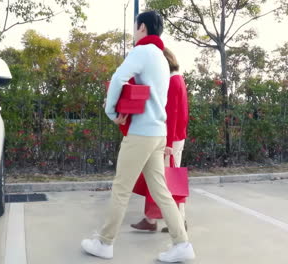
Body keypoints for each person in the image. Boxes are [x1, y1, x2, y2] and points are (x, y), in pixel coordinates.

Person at [81, 11, 195, 263]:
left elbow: (118, 78)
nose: (134, 31)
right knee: (161, 191)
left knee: (121, 188)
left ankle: (104, 242)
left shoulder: (142, 52)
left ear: (142, 27)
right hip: (158, 134)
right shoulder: (162, 59)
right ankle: (182, 243)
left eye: (135, 27)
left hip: (141, 133)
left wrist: (111, 111)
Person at [130, 47, 190, 233]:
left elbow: (171, 114)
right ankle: (154, 219)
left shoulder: (172, 82)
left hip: (170, 139)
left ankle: (174, 221)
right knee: (162, 179)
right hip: (174, 137)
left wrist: (169, 144)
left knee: (165, 181)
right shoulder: (177, 79)